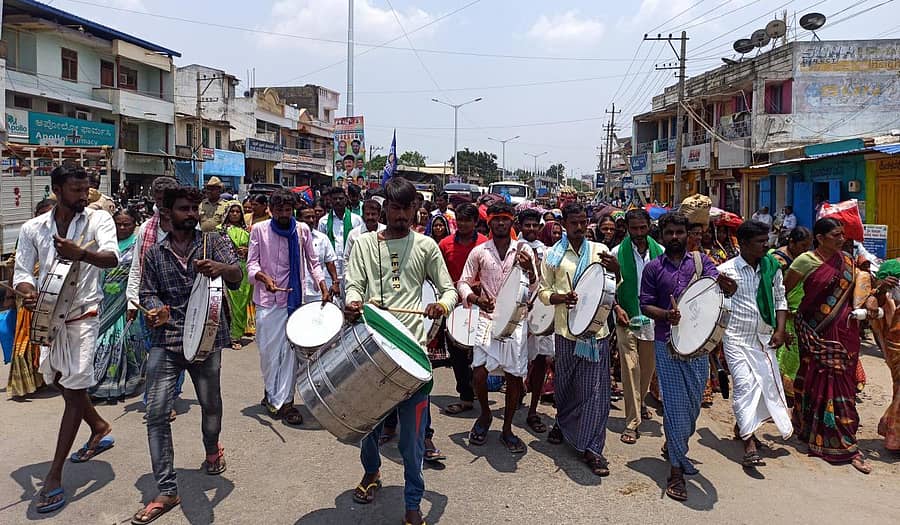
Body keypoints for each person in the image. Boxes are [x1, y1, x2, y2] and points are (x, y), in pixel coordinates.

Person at [344, 177, 457, 525]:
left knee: (412, 441)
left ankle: (412, 504)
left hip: (414, 358)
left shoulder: (426, 246)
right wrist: (352, 302)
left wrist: (441, 305)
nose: (402, 214)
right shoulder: (362, 245)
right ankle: (372, 471)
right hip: (373, 352)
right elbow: (353, 285)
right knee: (369, 429)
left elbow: (449, 290)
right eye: (395, 207)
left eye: (409, 208)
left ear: (416, 210)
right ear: (385, 209)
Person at [133, 185, 243, 524]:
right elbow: (147, 292)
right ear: (167, 213)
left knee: (211, 406)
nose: (192, 215)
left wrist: (221, 270)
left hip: (207, 340)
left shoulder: (215, 242)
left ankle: (212, 449)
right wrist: (153, 310)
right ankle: (166, 489)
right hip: (167, 340)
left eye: (194, 209)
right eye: (184, 209)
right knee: (155, 414)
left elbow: (238, 277)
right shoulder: (154, 254)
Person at [14, 163, 120, 513]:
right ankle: (99, 425)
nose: (83, 196)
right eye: (76, 190)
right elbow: (22, 272)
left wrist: (82, 254)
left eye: (86, 189)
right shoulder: (32, 228)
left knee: (73, 389)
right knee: (59, 380)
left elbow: (111, 258)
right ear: (56, 190)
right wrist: (27, 291)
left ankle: (54, 475)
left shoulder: (97, 220)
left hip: (84, 314)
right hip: (48, 314)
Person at [639, 212, 736, 501]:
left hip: (698, 347)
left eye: (679, 232)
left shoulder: (702, 263)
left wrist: (729, 287)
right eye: (668, 233)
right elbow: (645, 306)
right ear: (662, 235)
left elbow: (717, 290)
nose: (674, 238)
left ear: (687, 234)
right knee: (674, 407)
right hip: (666, 343)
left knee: (693, 406)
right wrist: (667, 315)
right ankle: (676, 471)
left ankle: (675, 445)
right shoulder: (653, 268)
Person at [783, 218, 891, 474]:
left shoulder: (848, 262)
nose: (841, 239)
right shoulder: (805, 262)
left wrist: (878, 292)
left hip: (846, 333)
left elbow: (861, 296)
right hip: (814, 331)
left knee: (845, 387)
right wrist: (787, 324)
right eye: (835, 235)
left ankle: (846, 443)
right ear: (820, 238)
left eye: (842, 235)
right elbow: (784, 292)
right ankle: (813, 434)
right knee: (814, 381)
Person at [538, 202, 619, 477]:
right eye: (574, 223)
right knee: (565, 386)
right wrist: (561, 298)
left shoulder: (600, 251)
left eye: (584, 222)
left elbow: (612, 285)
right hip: (565, 331)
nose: (580, 227)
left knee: (595, 392)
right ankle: (563, 422)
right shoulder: (552, 256)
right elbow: (543, 291)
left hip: (596, 333)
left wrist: (618, 269)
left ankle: (592, 448)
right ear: (564, 224)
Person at [458, 202, 537, 453]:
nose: (501, 223)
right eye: (496, 219)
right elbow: (463, 282)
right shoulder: (480, 251)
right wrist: (474, 298)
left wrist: (530, 273)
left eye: (505, 219)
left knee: (514, 376)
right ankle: (485, 415)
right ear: (489, 223)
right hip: (487, 318)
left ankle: (507, 428)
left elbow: (536, 288)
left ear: (512, 222)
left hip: (516, 320)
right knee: (479, 373)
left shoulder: (524, 251)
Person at [717, 220, 792, 468]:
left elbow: (781, 300)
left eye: (766, 240)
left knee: (764, 386)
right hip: (736, 338)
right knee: (744, 385)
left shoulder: (772, 268)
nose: (766, 246)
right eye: (760, 242)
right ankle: (749, 444)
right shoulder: (725, 272)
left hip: (763, 338)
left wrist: (780, 330)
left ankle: (744, 427)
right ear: (744, 244)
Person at [248, 190, 328, 424]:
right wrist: (263, 277)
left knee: (290, 355)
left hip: (294, 301)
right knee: (270, 355)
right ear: (271, 210)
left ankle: (287, 403)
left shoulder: (301, 230)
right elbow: (251, 263)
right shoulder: (259, 230)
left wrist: (322, 285)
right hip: (267, 302)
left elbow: (313, 262)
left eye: (288, 210)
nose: (284, 214)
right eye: (279, 210)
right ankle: (272, 393)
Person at [612, 209, 663, 445]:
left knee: (646, 369)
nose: (640, 233)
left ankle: (639, 401)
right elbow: (608, 287)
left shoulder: (660, 253)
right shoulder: (616, 254)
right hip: (627, 319)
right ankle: (632, 422)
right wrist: (616, 307)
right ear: (627, 228)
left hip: (653, 321)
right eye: (635, 229)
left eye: (643, 228)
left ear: (649, 226)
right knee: (630, 368)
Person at [91, 208, 147, 400]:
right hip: (104, 298)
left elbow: (139, 273)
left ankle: (122, 382)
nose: (122, 228)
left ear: (135, 225)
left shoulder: (138, 244)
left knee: (123, 339)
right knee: (100, 338)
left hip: (127, 299)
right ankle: (97, 383)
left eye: (127, 224)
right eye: (118, 224)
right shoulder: (105, 242)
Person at [437, 203, 487, 415]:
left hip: (481, 305)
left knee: (480, 352)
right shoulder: (445, 244)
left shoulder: (485, 244)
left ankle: (480, 390)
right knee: (457, 355)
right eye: (460, 219)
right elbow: (437, 273)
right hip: (454, 306)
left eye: (468, 220)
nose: (464, 224)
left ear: (476, 222)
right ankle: (466, 396)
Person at [6, 198, 56, 399]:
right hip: (27, 295)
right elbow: (16, 268)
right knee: (26, 338)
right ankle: (24, 384)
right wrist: (11, 295)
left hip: (51, 294)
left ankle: (43, 378)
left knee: (45, 339)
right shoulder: (29, 233)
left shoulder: (62, 236)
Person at [518, 208, 555, 433]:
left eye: (535, 225)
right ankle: (513, 405)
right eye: (527, 225)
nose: (531, 229)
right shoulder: (513, 249)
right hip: (518, 311)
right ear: (520, 226)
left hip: (541, 310)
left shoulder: (547, 252)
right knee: (515, 361)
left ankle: (533, 411)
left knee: (541, 359)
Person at [770, 227, 814, 399]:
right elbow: (774, 290)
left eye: (808, 246)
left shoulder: (801, 259)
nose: (805, 250)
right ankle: (777, 395)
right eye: (802, 246)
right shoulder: (778, 261)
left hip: (797, 313)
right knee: (783, 356)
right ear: (791, 242)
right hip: (783, 315)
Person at [875, 260, 900, 451]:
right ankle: (895, 437)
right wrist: (883, 288)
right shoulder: (890, 269)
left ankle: (889, 425)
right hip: (897, 338)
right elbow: (876, 302)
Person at [318, 187, 363, 293]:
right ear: (330, 200)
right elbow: (322, 246)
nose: (338, 201)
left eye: (340, 198)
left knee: (350, 300)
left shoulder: (356, 220)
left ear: (346, 200)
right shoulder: (323, 221)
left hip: (350, 267)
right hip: (330, 270)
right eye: (335, 199)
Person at [220, 202, 253, 349]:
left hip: (243, 269)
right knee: (225, 304)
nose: (234, 214)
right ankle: (226, 336)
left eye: (237, 212)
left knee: (241, 303)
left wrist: (247, 250)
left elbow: (256, 250)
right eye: (232, 211)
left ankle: (236, 335)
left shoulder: (247, 231)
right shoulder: (220, 231)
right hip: (225, 268)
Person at [299, 204, 341, 304]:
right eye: (307, 217)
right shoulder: (291, 238)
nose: (311, 220)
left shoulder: (322, 238)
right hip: (298, 291)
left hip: (318, 291)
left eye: (313, 217)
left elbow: (330, 262)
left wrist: (335, 282)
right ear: (299, 219)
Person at [345, 199, 386, 264]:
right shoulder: (354, 234)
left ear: (379, 215)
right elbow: (347, 258)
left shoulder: (386, 231)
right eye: (367, 214)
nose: (370, 217)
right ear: (363, 215)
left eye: (373, 214)